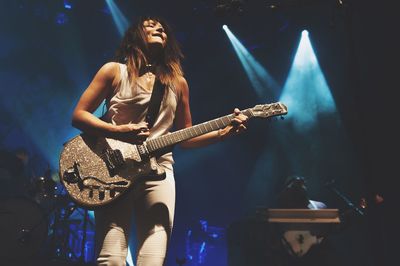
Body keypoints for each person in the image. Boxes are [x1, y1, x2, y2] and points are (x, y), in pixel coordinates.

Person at [71, 16, 248, 266]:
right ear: (135, 36)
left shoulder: (178, 83)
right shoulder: (113, 70)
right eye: (150, 26)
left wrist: (223, 133)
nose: (159, 29)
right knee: (110, 257)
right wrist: (120, 131)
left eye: (162, 29)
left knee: (153, 259)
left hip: (159, 170)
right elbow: (79, 115)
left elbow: (185, 135)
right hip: (113, 168)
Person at [269, 175, 339, 266]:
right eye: (295, 186)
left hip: (322, 255)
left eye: (301, 184)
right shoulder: (286, 210)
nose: (299, 187)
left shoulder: (320, 206)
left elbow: (331, 229)